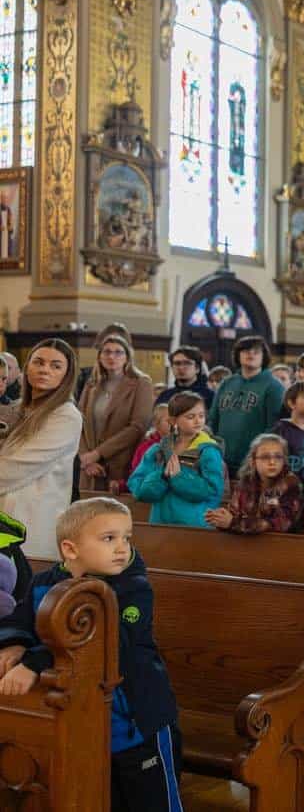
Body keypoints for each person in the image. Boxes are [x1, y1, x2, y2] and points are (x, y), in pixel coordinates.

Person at [0, 498, 183, 811]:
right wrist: (14, 644)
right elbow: (19, 619)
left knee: (152, 802)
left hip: (138, 721)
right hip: (84, 721)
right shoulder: (44, 583)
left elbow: (105, 641)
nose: (122, 547)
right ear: (70, 549)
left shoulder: (132, 589)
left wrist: (34, 662)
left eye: (127, 537)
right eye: (109, 538)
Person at [0, 339, 81, 559]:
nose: (45, 370)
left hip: (32, 520)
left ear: (67, 375)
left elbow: (17, 466)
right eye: (39, 362)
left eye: (56, 366)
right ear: (27, 369)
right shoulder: (19, 409)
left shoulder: (66, 415)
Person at [128, 392, 225, 528]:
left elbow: (213, 492)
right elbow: (137, 487)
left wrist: (179, 478)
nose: (198, 421)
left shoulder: (208, 451)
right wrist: (161, 477)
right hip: (160, 523)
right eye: (190, 417)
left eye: (201, 416)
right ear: (173, 421)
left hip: (195, 526)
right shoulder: (158, 450)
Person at [77, 335, 154, 490]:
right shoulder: (92, 383)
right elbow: (78, 422)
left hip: (121, 464)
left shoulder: (141, 383)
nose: (112, 356)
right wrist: (85, 457)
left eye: (118, 352)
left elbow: (138, 426)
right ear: (99, 357)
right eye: (107, 352)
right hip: (90, 468)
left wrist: (98, 453)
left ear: (127, 357)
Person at [208, 336, 285, 474]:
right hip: (221, 460)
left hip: (252, 463)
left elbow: (273, 428)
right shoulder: (227, 383)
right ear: (238, 355)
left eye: (256, 351)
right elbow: (213, 419)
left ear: (264, 357)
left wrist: (258, 458)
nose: (251, 354)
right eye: (246, 351)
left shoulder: (273, 386)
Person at [207, 434, 303, 534]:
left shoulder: (291, 484)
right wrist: (220, 518)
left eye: (278, 457)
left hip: (282, 542)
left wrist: (233, 523)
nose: (272, 462)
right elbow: (234, 513)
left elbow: (281, 524)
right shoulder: (245, 482)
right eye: (265, 457)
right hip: (244, 541)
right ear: (253, 460)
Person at [73, 323, 132, 402]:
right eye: (107, 350)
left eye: (118, 351)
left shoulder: (137, 381)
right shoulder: (85, 377)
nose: (111, 356)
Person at [129, 403, 171, 476]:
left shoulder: (178, 443)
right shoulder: (147, 446)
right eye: (168, 421)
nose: (173, 424)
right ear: (156, 423)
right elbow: (137, 471)